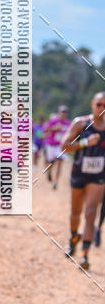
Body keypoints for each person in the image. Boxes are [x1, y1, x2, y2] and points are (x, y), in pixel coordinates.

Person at [61, 92, 105, 270]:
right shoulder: (81, 123)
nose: (102, 108)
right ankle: (73, 239)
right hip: (79, 173)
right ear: (92, 104)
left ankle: (84, 255)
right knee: (75, 212)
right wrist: (85, 143)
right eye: (99, 104)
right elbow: (64, 146)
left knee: (91, 212)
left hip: (98, 175)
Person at [42, 105, 69, 189]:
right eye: (62, 113)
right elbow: (45, 130)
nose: (63, 115)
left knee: (60, 162)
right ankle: (49, 172)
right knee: (51, 163)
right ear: (59, 113)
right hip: (51, 145)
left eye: (65, 113)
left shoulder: (68, 123)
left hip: (60, 146)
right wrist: (54, 128)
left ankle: (56, 182)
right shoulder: (53, 121)